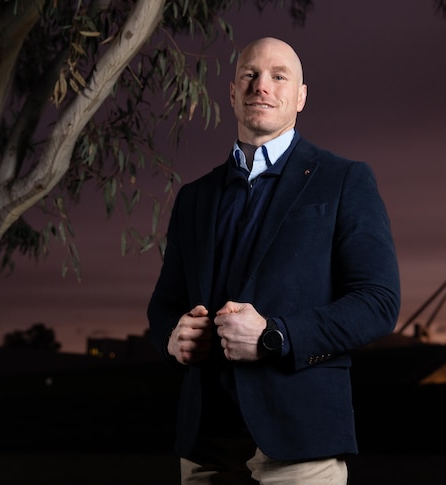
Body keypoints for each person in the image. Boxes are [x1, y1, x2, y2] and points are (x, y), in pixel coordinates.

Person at [147, 36, 401, 484]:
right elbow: (164, 304)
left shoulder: (344, 180)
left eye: (278, 76)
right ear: (231, 92)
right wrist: (172, 338)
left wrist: (273, 336)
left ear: (300, 96)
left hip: (299, 440)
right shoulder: (194, 198)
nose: (261, 86)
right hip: (207, 443)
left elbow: (378, 303)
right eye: (250, 75)